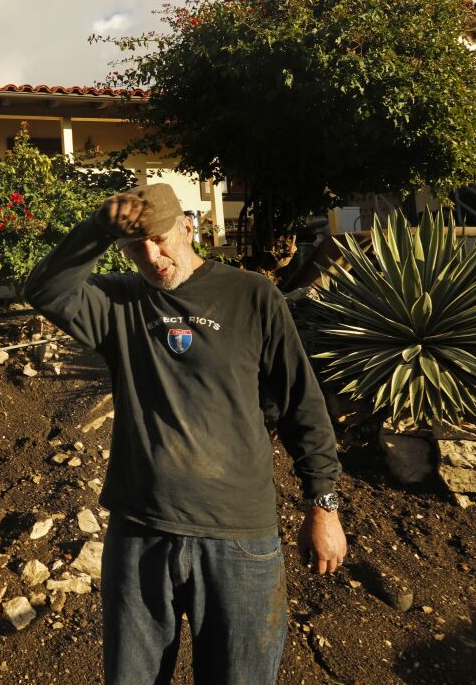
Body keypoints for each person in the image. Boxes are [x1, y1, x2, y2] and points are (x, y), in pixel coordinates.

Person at [25, 183, 346, 685]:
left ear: (189, 228)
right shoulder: (120, 302)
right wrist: (95, 230)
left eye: (161, 239)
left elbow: (301, 404)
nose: (152, 257)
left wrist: (323, 506)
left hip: (239, 538)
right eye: (136, 247)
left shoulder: (252, 295)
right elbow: (45, 290)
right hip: (141, 531)